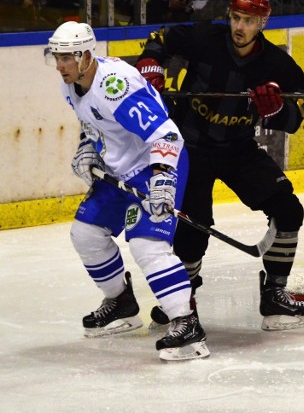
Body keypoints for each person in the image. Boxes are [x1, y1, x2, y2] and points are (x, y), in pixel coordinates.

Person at [135, 0, 304, 331]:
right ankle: (181, 298)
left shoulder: (279, 65)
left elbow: (295, 118)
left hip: (238, 149)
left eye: (249, 20)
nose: (239, 26)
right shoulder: (206, 38)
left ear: (263, 22)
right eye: (236, 18)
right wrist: (150, 66)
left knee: (289, 209)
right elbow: (160, 38)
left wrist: (277, 109)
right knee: (193, 229)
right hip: (191, 149)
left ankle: (274, 294)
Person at [46, 21, 209, 361]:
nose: (59, 65)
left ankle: (186, 322)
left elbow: (165, 134)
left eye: (66, 58)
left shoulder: (115, 86)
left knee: (147, 244)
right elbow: (94, 124)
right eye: (56, 57)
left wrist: (163, 180)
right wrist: (87, 148)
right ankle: (121, 302)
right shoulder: (71, 84)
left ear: (86, 55)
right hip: (118, 172)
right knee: (85, 234)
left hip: (156, 165)